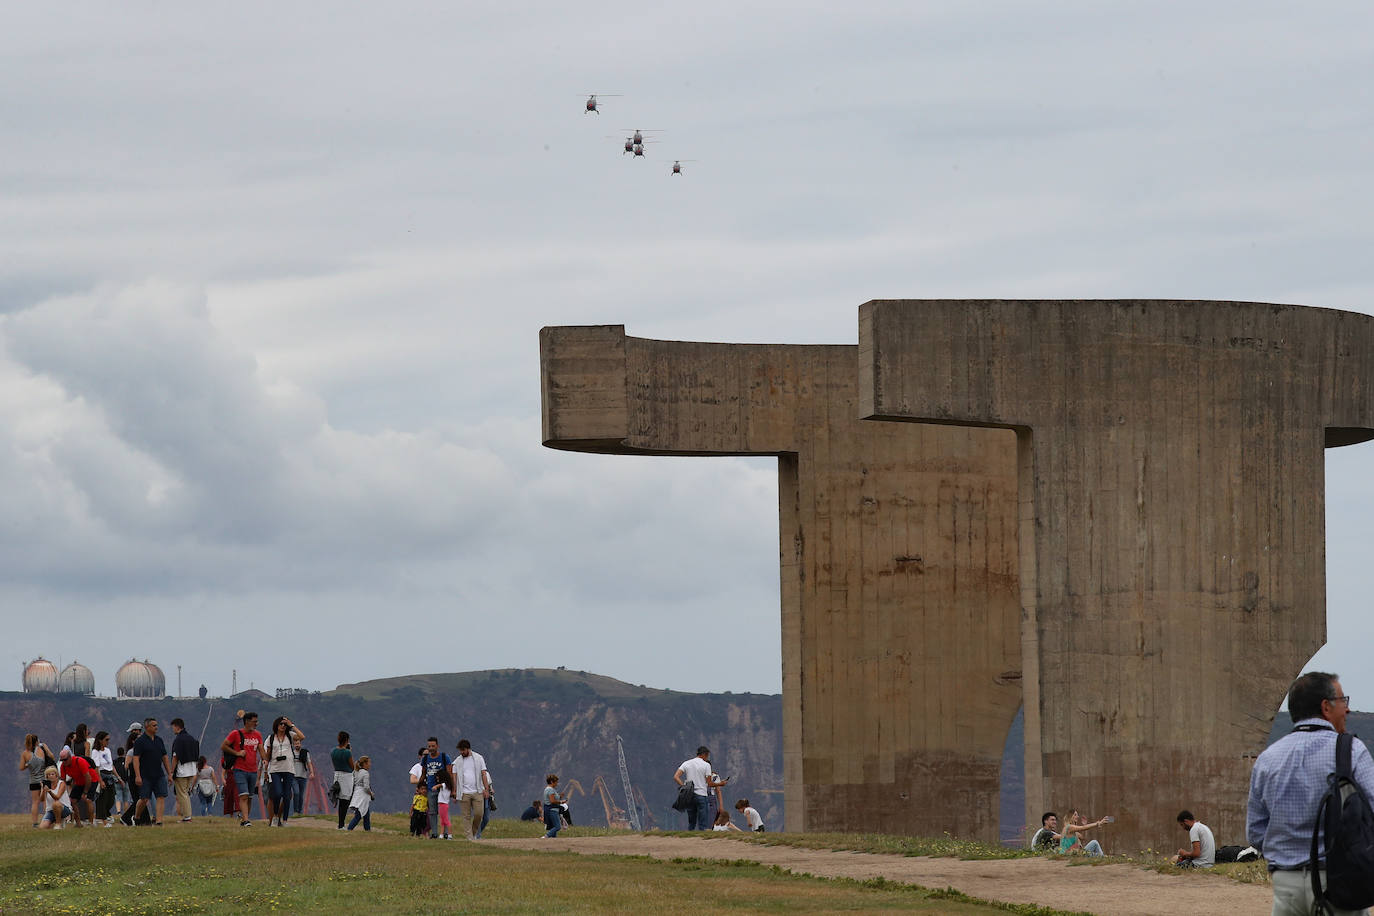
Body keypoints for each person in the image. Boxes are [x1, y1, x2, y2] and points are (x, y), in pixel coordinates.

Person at [1247, 671, 1374, 916]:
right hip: (1340, 881)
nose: (1347, 709)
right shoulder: (1351, 751)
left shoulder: (1267, 759)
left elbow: (1255, 832)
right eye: (1343, 700)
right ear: (1326, 707)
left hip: (1286, 885)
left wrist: (1286, 851)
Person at [221, 711, 263, 826]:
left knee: (249, 797)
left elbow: (261, 750)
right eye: (254, 721)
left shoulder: (258, 735)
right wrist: (237, 753)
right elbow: (223, 746)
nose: (256, 724)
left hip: (253, 770)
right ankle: (245, 820)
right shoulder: (235, 733)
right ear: (247, 722)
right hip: (239, 770)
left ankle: (245, 818)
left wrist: (266, 759)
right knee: (243, 795)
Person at [131, 717, 173, 827]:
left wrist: (169, 773)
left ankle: (159, 821)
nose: (156, 727)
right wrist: (137, 776)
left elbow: (165, 757)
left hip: (159, 774)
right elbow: (136, 759)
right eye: (154, 725)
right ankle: (137, 817)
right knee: (144, 799)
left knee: (161, 796)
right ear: (147, 727)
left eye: (156, 725)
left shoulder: (159, 740)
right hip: (145, 775)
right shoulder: (140, 741)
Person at [262, 716, 304, 826]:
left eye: (285, 724)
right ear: (276, 725)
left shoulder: (290, 735)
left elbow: (301, 737)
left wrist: (292, 725)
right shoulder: (271, 738)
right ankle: (275, 816)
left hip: (288, 768)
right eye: (281, 724)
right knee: (277, 793)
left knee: (287, 795)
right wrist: (265, 771)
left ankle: (285, 820)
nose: (283, 726)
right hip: (275, 768)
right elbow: (267, 755)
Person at [454, 739, 492, 841]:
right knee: (466, 816)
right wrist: (455, 791)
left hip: (477, 791)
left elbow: (483, 774)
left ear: (468, 749)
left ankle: (473, 833)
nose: (461, 752)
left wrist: (486, 789)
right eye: (460, 750)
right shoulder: (457, 761)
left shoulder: (479, 758)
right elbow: (454, 776)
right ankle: (469, 837)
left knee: (479, 814)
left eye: (463, 750)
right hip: (464, 792)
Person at [674, 746, 713, 830]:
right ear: (704, 755)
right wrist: (721, 783)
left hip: (690, 795)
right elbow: (709, 783)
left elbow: (676, 777)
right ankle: (701, 836)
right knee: (703, 822)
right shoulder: (706, 765)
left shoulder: (687, 763)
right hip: (702, 795)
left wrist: (684, 787)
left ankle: (690, 836)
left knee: (691, 822)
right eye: (707, 756)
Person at [420, 738, 452, 839]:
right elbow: (423, 773)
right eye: (429, 746)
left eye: (433, 746)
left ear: (437, 746)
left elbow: (450, 774)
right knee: (432, 812)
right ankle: (434, 833)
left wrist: (453, 789)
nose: (431, 748)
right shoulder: (425, 759)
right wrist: (419, 787)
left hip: (443, 789)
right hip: (431, 788)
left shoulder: (444, 757)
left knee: (444, 811)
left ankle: (446, 833)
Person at [169, 718, 200, 823]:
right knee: (186, 793)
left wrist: (171, 771)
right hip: (192, 770)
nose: (173, 729)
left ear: (177, 727)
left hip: (182, 771)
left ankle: (187, 817)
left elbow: (175, 757)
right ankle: (187, 815)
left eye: (173, 727)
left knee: (182, 794)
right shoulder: (192, 739)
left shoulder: (178, 740)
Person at [20, 734, 54, 828]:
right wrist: (46, 748)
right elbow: (52, 757)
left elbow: (21, 767)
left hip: (33, 780)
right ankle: (47, 820)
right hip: (44, 779)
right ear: (36, 741)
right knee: (46, 801)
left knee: (35, 802)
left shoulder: (25, 753)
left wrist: (28, 764)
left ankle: (35, 823)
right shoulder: (41, 749)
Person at [60, 746, 98, 827]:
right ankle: (78, 823)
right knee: (73, 801)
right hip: (79, 782)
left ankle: (91, 823)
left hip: (92, 780)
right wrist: (62, 794)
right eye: (62, 760)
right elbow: (63, 781)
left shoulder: (79, 761)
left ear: (70, 757)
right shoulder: (63, 766)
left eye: (65, 760)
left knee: (88, 800)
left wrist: (85, 792)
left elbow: (88, 778)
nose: (64, 762)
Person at [90, 731, 117, 826]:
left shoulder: (107, 750)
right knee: (102, 799)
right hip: (102, 775)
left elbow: (111, 765)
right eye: (106, 740)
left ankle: (104, 815)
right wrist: (100, 781)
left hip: (110, 775)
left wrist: (118, 777)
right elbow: (96, 767)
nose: (108, 741)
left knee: (111, 799)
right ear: (100, 740)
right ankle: (102, 819)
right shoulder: (95, 752)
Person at [330, 732, 354, 831]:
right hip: (346, 777)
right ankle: (341, 825)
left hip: (337, 775)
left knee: (340, 800)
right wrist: (350, 751)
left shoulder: (333, 751)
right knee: (345, 801)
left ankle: (340, 824)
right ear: (347, 740)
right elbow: (352, 766)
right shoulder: (347, 753)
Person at [346, 756, 374, 832]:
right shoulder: (365, 773)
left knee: (366, 814)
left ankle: (367, 830)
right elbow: (366, 787)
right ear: (364, 764)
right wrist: (371, 794)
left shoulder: (356, 772)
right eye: (369, 762)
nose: (370, 764)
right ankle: (349, 829)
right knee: (358, 815)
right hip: (363, 796)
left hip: (357, 794)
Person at [291, 737, 313, 817]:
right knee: (296, 792)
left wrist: (311, 772)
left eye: (298, 743)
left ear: (300, 744)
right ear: (293, 745)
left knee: (301, 795)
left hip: (303, 776)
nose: (297, 745)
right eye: (295, 744)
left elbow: (309, 763)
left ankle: (300, 811)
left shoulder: (305, 753)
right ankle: (295, 811)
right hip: (293, 776)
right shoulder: (291, 753)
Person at [541, 774, 564, 838]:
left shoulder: (547, 789)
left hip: (549, 810)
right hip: (552, 810)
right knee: (558, 827)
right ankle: (546, 836)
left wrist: (560, 797)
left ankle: (553, 840)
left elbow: (551, 799)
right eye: (556, 782)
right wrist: (561, 802)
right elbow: (552, 801)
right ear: (551, 782)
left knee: (553, 827)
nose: (557, 783)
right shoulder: (551, 790)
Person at [435, 769, 455, 839]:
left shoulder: (444, 785)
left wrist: (435, 786)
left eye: (438, 777)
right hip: (442, 804)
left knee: (446, 820)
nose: (437, 778)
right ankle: (441, 834)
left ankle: (450, 835)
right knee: (442, 821)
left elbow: (440, 785)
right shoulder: (447, 786)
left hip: (443, 804)